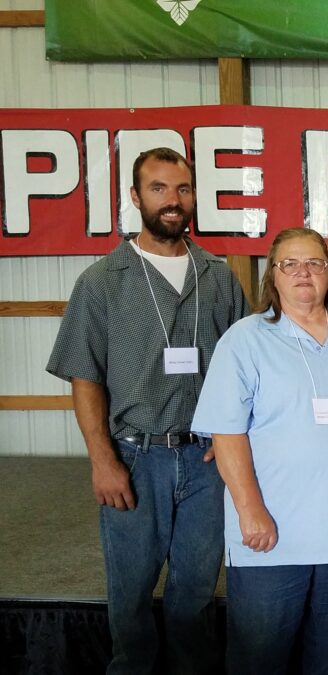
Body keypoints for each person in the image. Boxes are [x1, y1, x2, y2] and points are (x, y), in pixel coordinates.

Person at [46, 147, 248, 674]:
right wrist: (101, 460)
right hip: (134, 459)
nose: (172, 201)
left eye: (182, 189)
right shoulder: (101, 281)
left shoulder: (220, 278)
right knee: (130, 599)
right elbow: (84, 376)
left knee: (195, 596)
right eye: (158, 189)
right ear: (136, 198)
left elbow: (244, 372)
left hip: (206, 463)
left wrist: (229, 446)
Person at [191, 228, 328, 674]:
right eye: (289, 264)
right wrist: (250, 510)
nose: (303, 272)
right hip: (273, 536)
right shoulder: (246, 340)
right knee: (260, 659)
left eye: (315, 263)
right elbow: (226, 432)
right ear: (272, 278)